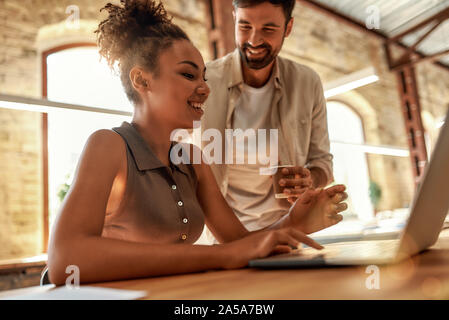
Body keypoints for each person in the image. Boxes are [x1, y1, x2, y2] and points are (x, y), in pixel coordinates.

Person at [47, 0, 348, 285]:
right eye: (189, 75)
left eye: (203, 77)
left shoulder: (191, 159)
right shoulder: (108, 145)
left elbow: (239, 244)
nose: (205, 89)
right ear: (142, 81)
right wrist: (218, 256)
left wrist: (292, 223)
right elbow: (64, 260)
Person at [200, 0, 334, 238]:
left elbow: (322, 162)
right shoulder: (204, 82)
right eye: (244, 26)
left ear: (288, 27)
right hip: (220, 242)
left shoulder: (307, 83)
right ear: (233, 18)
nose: (253, 40)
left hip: (287, 235)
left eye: (268, 29)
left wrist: (310, 180)